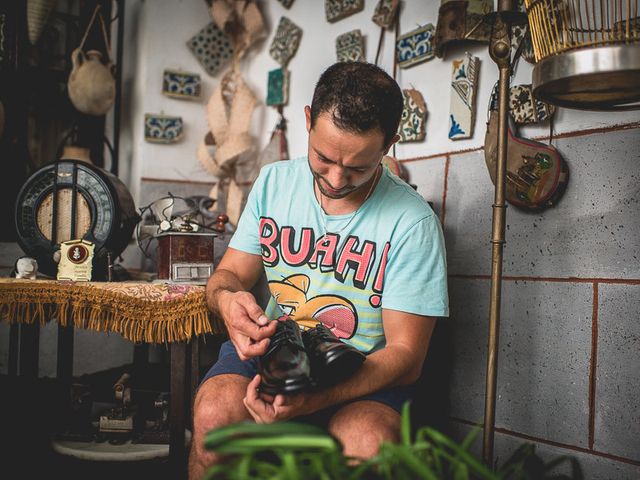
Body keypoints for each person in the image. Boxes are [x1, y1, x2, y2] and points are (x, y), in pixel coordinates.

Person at [188, 61, 449, 479]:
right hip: (276, 356)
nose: (336, 178)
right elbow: (229, 276)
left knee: (367, 446)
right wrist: (226, 300)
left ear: (389, 145)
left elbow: (406, 357)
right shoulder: (273, 184)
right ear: (308, 120)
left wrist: (316, 400)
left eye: (358, 167)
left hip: (362, 374)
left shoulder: (412, 223)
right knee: (214, 420)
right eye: (323, 157)